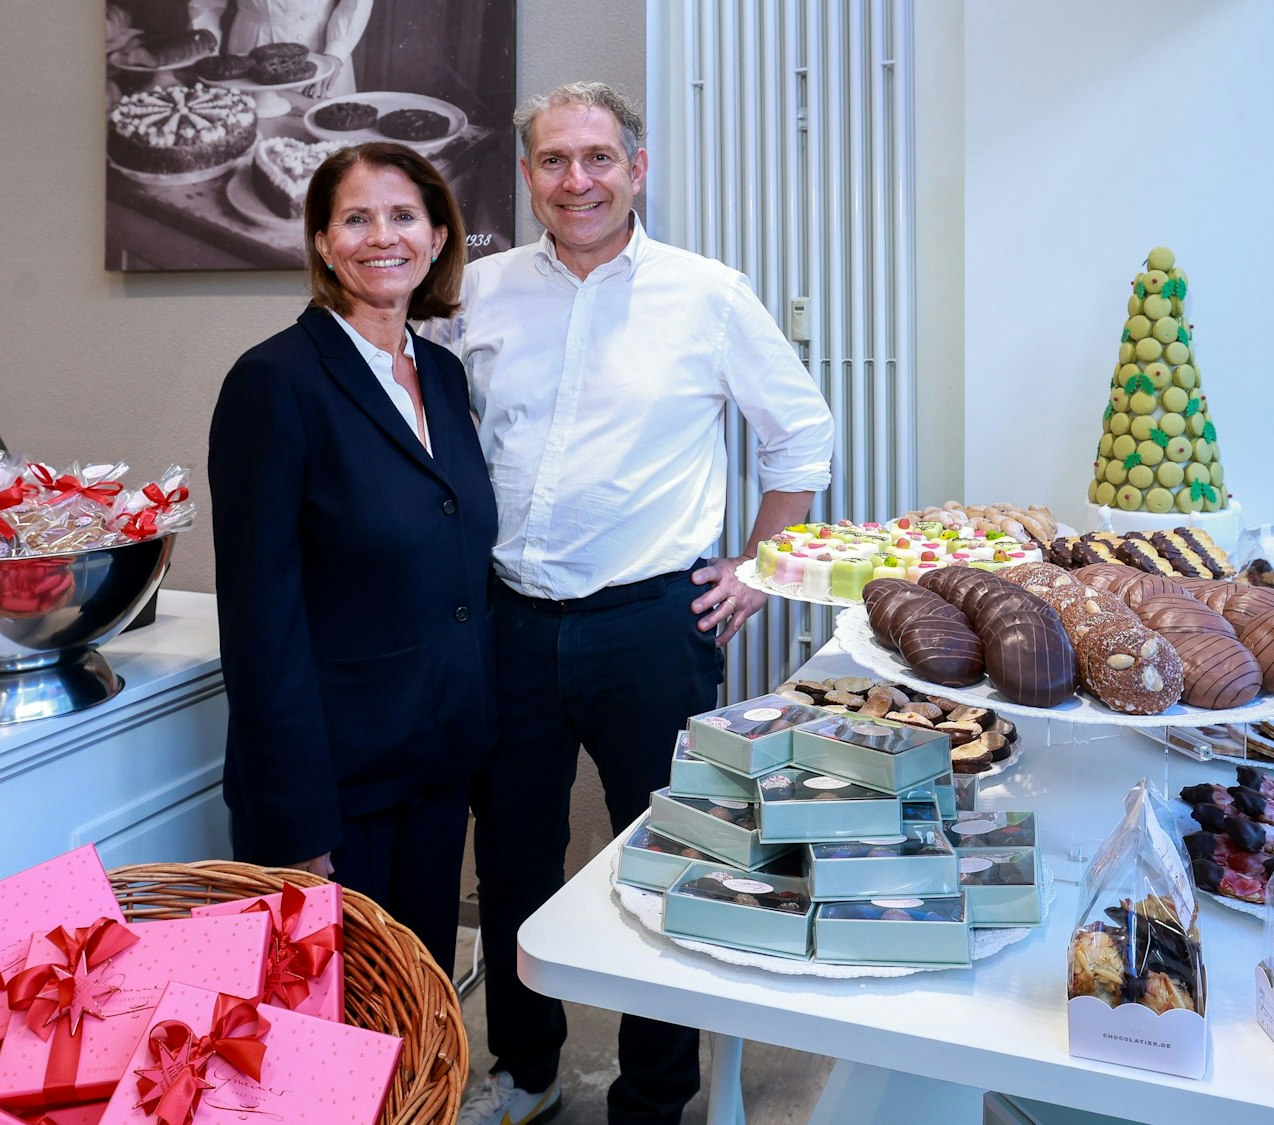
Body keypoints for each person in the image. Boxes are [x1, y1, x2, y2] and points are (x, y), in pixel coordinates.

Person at [429, 82, 835, 1125]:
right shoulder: (477, 290)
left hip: (653, 630)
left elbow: (800, 436)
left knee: (665, 861)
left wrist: (756, 568)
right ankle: (525, 1072)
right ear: (526, 176)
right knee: (514, 858)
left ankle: (654, 1095)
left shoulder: (705, 294)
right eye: (554, 161)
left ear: (636, 168)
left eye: (597, 158)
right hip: (510, 624)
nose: (577, 180)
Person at [209, 142, 497, 970]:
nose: (383, 237)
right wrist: (295, 823)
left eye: (404, 215)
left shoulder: (441, 374)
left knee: (420, 1000)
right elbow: (260, 620)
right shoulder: (275, 381)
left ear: (438, 237)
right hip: (336, 786)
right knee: (337, 1037)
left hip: (436, 766)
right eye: (357, 218)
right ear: (324, 241)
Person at [187, 0, 373, 94]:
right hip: (249, 44)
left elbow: (355, 3)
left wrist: (336, 51)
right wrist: (204, 47)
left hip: (321, 49)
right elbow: (206, 5)